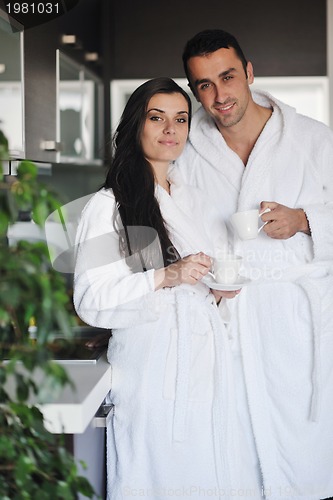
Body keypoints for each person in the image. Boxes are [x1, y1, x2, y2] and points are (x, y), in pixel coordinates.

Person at [73, 77, 263, 499]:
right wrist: (166, 276)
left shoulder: (193, 198)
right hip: (154, 376)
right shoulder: (108, 206)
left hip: (208, 369)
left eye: (180, 119)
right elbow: (91, 301)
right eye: (157, 118)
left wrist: (215, 291)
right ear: (135, 125)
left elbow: (201, 280)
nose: (170, 130)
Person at [175, 29, 333, 500]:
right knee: (236, 459)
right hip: (228, 324)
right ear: (194, 91)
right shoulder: (187, 151)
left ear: (248, 72)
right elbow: (168, 225)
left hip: (297, 326)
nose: (219, 95)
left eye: (227, 77)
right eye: (204, 84)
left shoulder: (313, 140)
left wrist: (306, 220)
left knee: (304, 457)